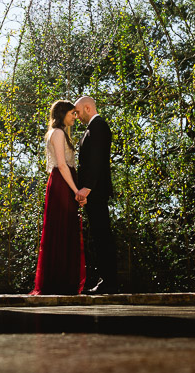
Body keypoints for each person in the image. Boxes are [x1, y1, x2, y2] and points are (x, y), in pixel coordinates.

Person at [30, 100, 86, 295]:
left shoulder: (57, 133)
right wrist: (76, 190)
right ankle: (60, 282)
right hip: (63, 184)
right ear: (63, 114)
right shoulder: (59, 133)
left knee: (63, 229)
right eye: (72, 113)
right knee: (62, 229)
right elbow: (62, 165)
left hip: (62, 183)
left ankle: (61, 280)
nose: (75, 116)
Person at [74, 96, 118, 294]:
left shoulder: (99, 126)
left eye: (78, 112)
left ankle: (109, 282)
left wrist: (87, 188)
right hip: (93, 192)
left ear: (87, 107)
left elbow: (97, 160)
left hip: (96, 191)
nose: (77, 116)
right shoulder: (92, 127)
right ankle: (107, 280)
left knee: (102, 235)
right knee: (99, 236)